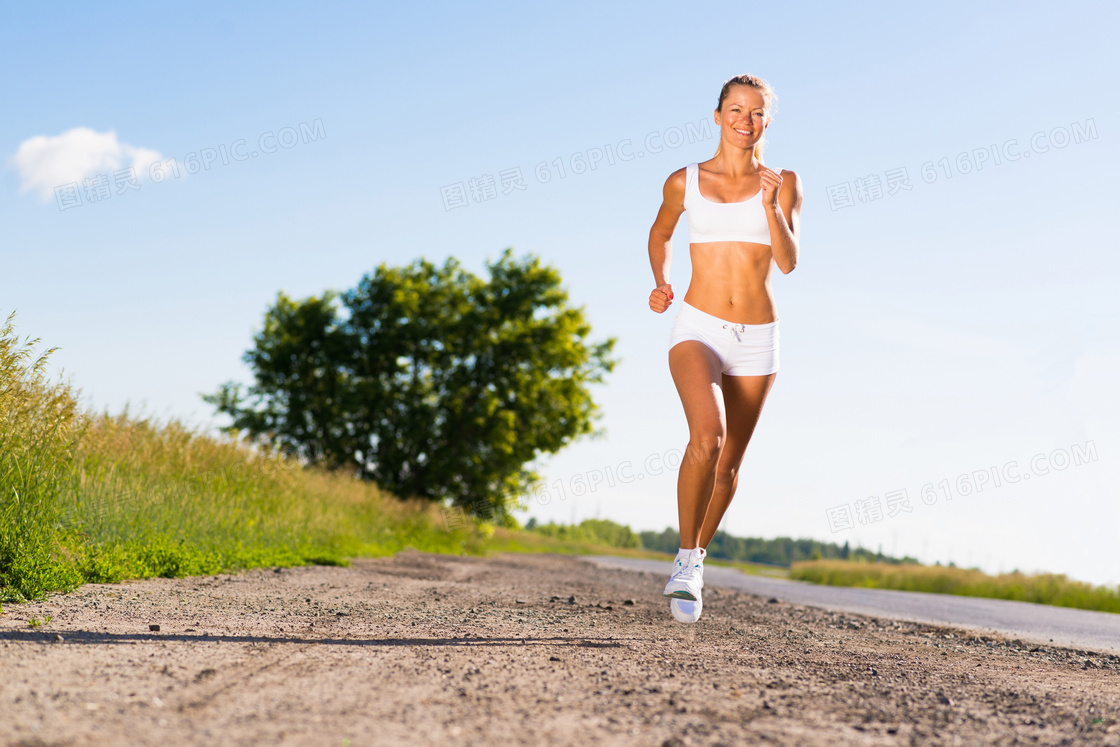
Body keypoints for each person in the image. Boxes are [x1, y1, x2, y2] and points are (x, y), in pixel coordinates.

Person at [646, 74, 803, 623]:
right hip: (699, 326)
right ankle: (686, 565)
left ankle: (693, 558)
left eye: (756, 112)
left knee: (729, 464)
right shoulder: (684, 181)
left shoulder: (783, 182)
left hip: (758, 338)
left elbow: (788, 261)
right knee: (706, 438)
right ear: (717, 116)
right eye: (735, 109)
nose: (745, 120)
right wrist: (661, 281)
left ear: (768, 121)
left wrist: (772, 207)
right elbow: (660, 234)